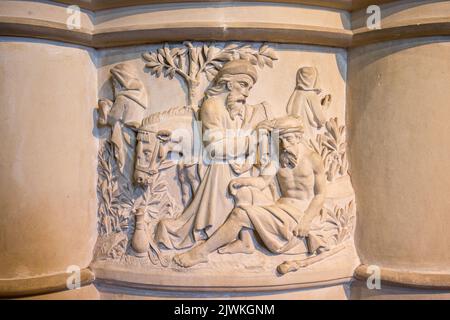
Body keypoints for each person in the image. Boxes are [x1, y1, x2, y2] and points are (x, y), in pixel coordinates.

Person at [173, 116, 327, 268]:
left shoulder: (313, 158)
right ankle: (246, 242)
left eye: (289, 139)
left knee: (239, 215)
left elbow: (320, 195)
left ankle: (202, 252)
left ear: (299, 137)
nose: (284, 145)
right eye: (280, 140)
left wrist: (306, 221)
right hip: (280, 209)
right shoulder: (278, 156)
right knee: (244, 192)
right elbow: (262, 181)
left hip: (296, 217)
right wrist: (241, 182)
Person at [155, 59, 273, 250]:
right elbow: (215, 148)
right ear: (228, 83)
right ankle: (215, 230)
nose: (246, 93)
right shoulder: (212, 105)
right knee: (225, 170)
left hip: (239, 165)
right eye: (243, 85)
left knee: (254, 186)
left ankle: (245, 239)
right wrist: (251, 141)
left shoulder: (242, 110)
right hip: (216, 165)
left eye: (249, 88)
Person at [98, 63, 148, 173]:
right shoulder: (141, 98)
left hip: (124, 136)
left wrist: (104, 105)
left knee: (125, 167)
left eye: (115, 83)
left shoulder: (122, 98)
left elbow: (111, 119)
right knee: (132, 163)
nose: (113, 87)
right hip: (135, 136)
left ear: (123, 82)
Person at [286, 67, 331, 140]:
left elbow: (289, 109)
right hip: (308, 135)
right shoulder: (311, 95)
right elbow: (321, 119)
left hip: (295, 135)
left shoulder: (296, 93)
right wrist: (325, 105)